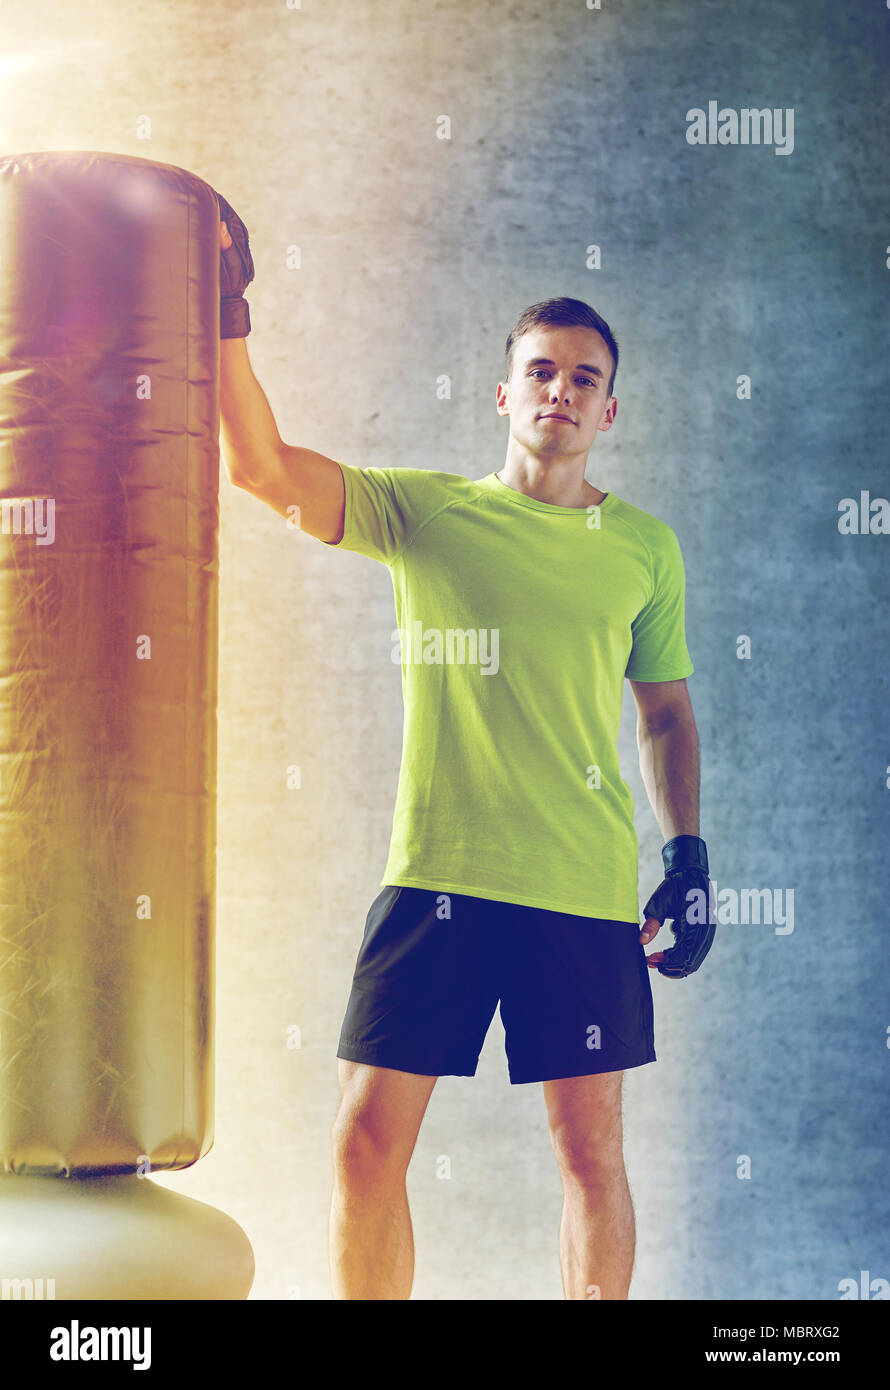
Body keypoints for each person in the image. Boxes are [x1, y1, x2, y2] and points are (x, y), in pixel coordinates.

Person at [216, 193, 716, 1301]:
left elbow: (666, 713)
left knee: (587, 1156)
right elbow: (258, 467)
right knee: (360, 1143)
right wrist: (225, 317)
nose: (560, 390)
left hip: (577, 891)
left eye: (583, 378)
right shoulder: (422, 515)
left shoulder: (641, 548)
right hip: (435, 875)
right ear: (504, 393)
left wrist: (686, 857)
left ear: (609, 410)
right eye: (541, 370)